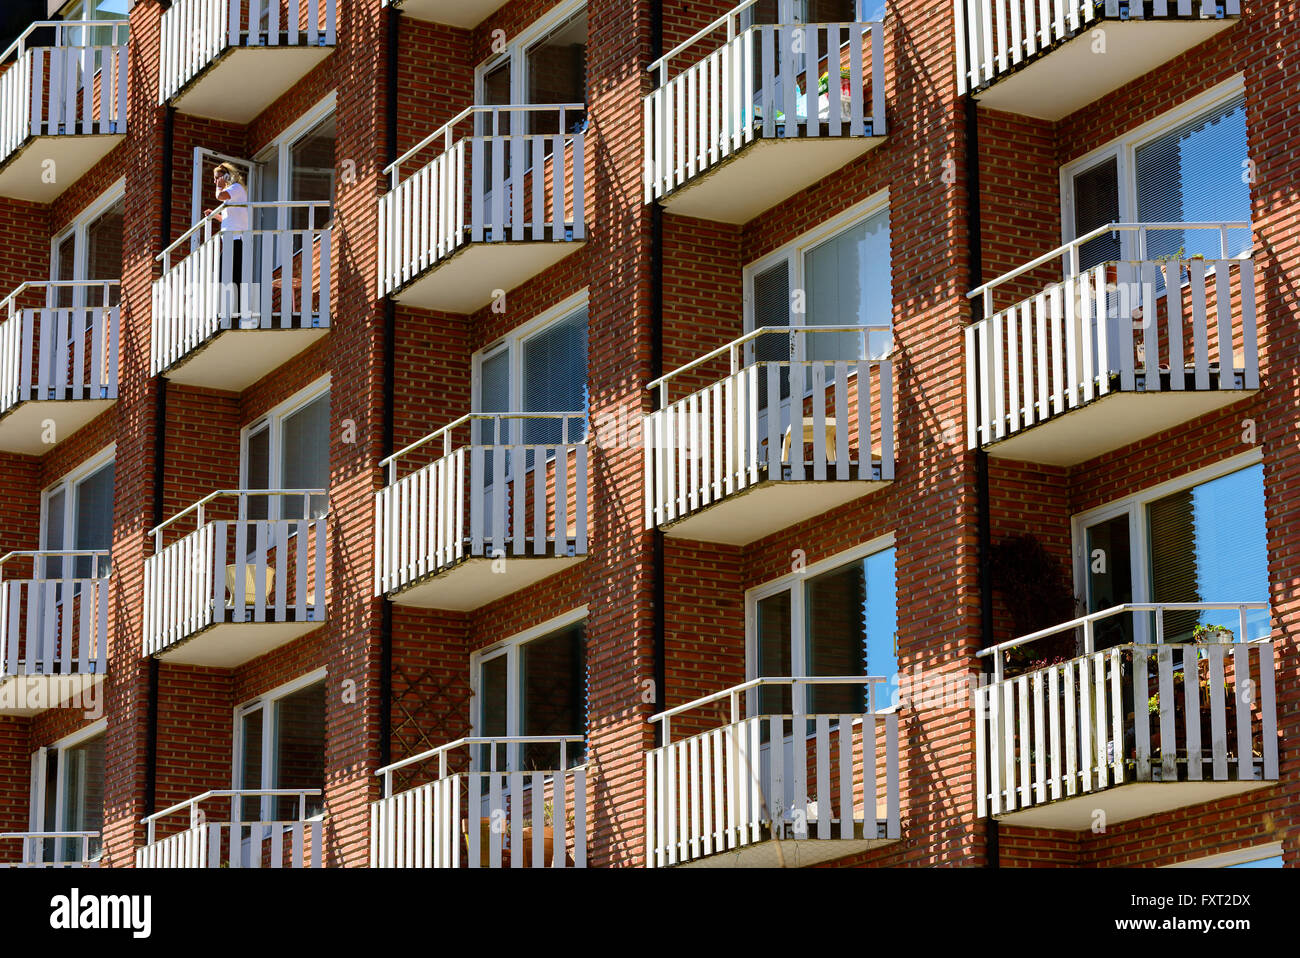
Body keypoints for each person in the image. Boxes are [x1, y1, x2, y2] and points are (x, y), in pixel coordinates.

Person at [205, 163, 251, 322]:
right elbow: (229, 219)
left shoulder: (236, 188)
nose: (215, 181)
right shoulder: (233, 194)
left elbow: (220, 196)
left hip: (236, 240)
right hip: (232, 240)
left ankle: (233, 313)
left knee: (228, 276)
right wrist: (215, 215)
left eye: (217, 178)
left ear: (225, 177)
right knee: (230, 277)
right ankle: (232, 312)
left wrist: (220, 186)